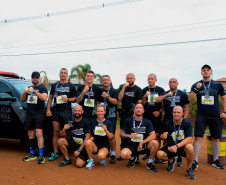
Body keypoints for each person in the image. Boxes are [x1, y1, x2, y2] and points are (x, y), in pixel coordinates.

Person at [188, 64, 226, 170]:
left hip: (215, 115)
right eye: (203, 70)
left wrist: (225, 112)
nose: (206, 72)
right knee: (198, 137)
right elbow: (190, 99)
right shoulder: (196, 84)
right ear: (201, 72)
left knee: (216, 138)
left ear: (211, 72)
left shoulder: (217, 85)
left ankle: (215, 160)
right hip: (201, 115)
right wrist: (196, 89)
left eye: (208, 70)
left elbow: (224, 98)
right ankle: (195, 161)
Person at [155, 77, 190, 166]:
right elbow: (158, 101)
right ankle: (169, 156)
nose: (172, 83)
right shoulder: (165, 93)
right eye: (170, 82)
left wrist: (184, 119)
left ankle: (179, 158)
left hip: (179, 120)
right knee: (166, 137)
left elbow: (187, 107)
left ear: (177, 84)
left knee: (179, 137)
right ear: (168, 84)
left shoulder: (182, 94)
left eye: (174, 82)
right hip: (167, 120)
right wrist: (166, 96)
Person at [46, 68, 77, 161]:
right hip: (56, 111)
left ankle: (65, 154)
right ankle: (55, 153)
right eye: (61, 73)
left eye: (65, 73)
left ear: (67, 75)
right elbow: (50, 97)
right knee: (55, 132)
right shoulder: (55, 85)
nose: (63, 74)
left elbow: (75, 99)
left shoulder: (71, 85)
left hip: (67, 111)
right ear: (59, 74)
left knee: (67, 132)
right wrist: (48, 110)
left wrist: (67, 99)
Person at [157, 106, 195, 179]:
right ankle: (171, 160)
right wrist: (163, 136)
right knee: (159, 154)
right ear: (172, 113)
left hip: (182, 147)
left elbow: (189, 138)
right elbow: (161, 136)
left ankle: (189, 169)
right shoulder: (167, 123)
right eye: (174, 112)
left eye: (178, 112)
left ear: (182, 114)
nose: (176, 114)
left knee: (190, 147)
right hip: (171, 147)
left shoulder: (186, 123)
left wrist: (177, 146)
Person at [120, 103, 159, 171]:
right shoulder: (128, 121)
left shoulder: (147, 122)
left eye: (140, 108)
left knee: (155, 143)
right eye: (137, 108)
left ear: (143, 111)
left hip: (143, 146)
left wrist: (142, 142)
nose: (138, 109)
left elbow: (153, 135)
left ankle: (150, 163)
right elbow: (121, 133)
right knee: (123, 155)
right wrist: (129, 135)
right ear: (134, 110)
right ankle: (132, 158)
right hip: (131, 145)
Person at [21, 71, 48, 164]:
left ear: (39, 78)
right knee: (30, 134)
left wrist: (35, 92)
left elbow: (44, 98)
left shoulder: (42, 88)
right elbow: (22, 99)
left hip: (39, 114)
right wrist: (25, 92)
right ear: (31, 78)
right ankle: (32, 153)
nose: (35, 79)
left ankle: (41, 155)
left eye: (36, 77)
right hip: (29, 113)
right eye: (33, 77)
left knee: (39, 133)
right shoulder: (29, 88)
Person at [117, 73, 143, 162]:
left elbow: (139, 102)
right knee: (123, 133)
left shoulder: (138, 89)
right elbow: (119, 99)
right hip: (124, 113)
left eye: (131, 78)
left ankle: (136, 156)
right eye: (127, 78)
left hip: (133, 113)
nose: (129, 80)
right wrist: (124, 87)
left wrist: (135, 112)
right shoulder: (122, 87)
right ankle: (122, 152)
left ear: (134, 79)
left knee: (134, 134)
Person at [142, 74, 165, 161]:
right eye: (149, 79)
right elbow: (143, 103)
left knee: (157, 135)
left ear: (155, 80)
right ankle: (148, 152)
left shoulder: (160, 90)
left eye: (152, 79)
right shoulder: (144, 90)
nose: (150, 80)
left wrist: (159, 112)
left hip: (156, 117)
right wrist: (145, 96)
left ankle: (156, 154)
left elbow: (165, 104)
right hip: (147, 115)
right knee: (148, 135)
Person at [84, 104, 113, 169]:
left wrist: (105, 130)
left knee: (101, 156)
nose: (100, 113)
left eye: (102, 111)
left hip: (104, 146)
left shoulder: (108, 123)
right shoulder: (92, 122)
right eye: (98, 111)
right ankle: (91, 160)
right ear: (96, 112)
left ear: (105, 112)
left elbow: (111, 137)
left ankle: (103, 157)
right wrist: (91, 137)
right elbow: (90, 133)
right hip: (95, 145)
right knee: (87, 141)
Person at [99, 75, 118, 164]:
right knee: (103, 133)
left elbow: (115, 102)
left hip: (112, 116)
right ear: (102, 82)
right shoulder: (100, 91)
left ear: (110, 81)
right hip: (102, 116)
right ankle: (107, 151)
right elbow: (98, 102)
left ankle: (113, 154)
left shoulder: (114, 91)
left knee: (112, 135)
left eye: (107, 80)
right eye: (104, 80)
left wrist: (107, 97)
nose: (105, 81)